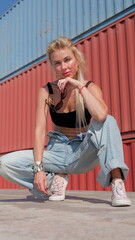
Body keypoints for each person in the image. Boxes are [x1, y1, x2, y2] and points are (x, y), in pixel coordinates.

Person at [0, 36, 131, 207]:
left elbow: (100, 116)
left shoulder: (89, 87)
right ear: (53, 66)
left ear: (76, 59)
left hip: (83, 153)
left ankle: (117, 183)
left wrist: (79, 86)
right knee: (4, 164)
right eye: (57, 63)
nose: (64, 67)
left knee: (109, 120)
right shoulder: (47, 91)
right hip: (57, 152)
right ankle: (54, 179)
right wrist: (38, 169)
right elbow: (39, 130)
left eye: (67, 60)